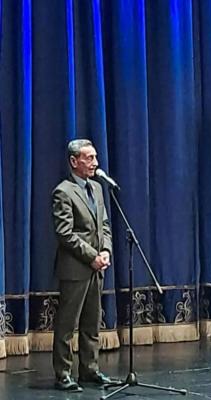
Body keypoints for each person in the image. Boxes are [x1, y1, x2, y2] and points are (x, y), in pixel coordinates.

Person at [52, 139, 116, 391]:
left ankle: (90, 370)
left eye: (95, 157)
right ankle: (63, 373)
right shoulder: (63, 192)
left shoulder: (97, 189)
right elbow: (65, 233)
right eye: (89, 158)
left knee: (92, 322)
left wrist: (106, 250)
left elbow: (105, 225)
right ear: (74, 161)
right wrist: (92, 256)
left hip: (96, 267)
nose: (95, 163)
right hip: (75, 269)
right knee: (67, 324)